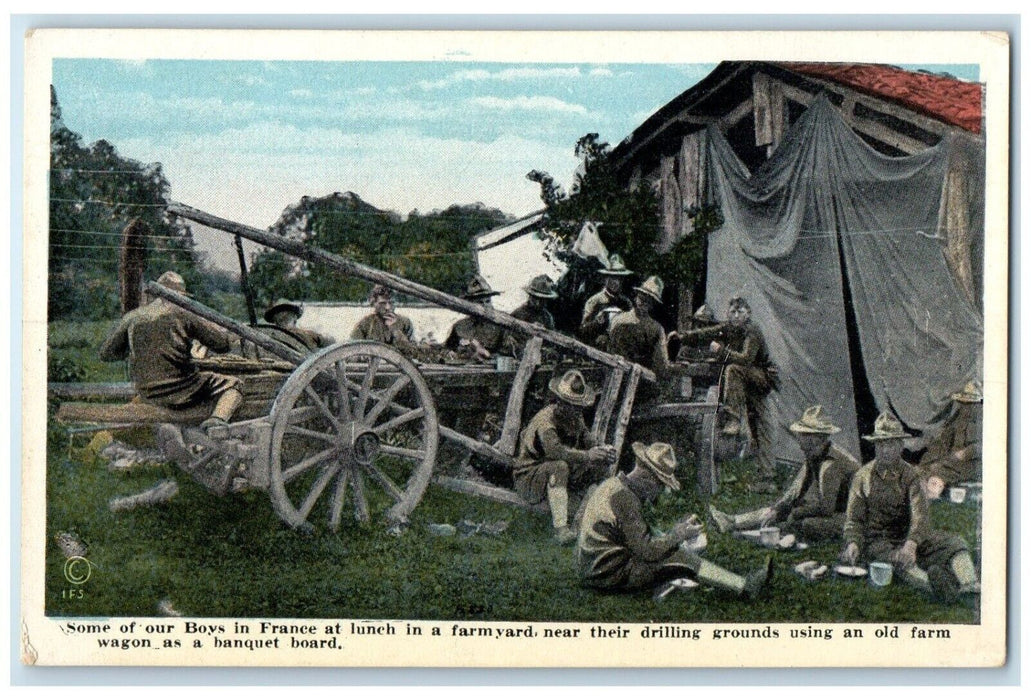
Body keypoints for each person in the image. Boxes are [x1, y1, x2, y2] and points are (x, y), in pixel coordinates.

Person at [577, 441, 774, 597]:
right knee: (680, 557)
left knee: (673, 549)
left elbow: (634, 536)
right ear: (646, 477)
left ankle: (730, 581)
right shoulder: (625, 498)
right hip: (605, 575)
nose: (661, 491)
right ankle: (745, 586)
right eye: (660, 484)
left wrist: (671, 536)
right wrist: (677, 536)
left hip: (594, 567)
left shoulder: (614, 485)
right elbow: (647, 552)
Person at [841, 412, 980, 602]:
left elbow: (920, 516)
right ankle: (936, 587)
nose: (885, 449)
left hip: (910, 536)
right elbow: (854, 520)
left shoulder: (911, 475)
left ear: (900, 445)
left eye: (891, 443)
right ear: (874, 446)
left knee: (953, 542)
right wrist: (853, 543)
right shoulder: (862, 477)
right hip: (880, 540)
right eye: (880, 444)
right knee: (898, 560)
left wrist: (912, 543)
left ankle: (969, 583)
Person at [98, 271, 243, 434]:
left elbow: (106, 354)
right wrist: (229, 336)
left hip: (146, 392)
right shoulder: (184, 313)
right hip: (181, 390)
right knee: (234, 384)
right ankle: (217, 421)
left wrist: (136, 351)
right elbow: (222, 345)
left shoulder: (132, 317)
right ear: (180, 295)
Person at [709, 405, 861, 542]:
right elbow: (795, 491)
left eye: (803, 435)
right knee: (780, 510)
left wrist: (796, 512)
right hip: (837, 512)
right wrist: (778, 509)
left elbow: (826, 508)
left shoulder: (830, 464)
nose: (799, 439)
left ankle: (755, 533)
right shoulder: (814, 455)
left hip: (855, 519)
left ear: (816, 438)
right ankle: (731, 521)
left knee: (807, 524)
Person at [678, 296, 778, 487]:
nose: (736, 315)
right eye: (732, 312)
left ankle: (734, 418)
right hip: (743, 382)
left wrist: (721, 351)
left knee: (762, 426)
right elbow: (706, 333)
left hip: (759, 379)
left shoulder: (752, 331)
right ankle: (764, 477)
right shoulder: (728, 327)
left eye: (740, 312)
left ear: (748, 314)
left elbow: (746, 359)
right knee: (757, 429)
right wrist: (682, 336)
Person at [514, 370, 617, 544]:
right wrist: (588, 455)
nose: (574, 409)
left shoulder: (576, 417)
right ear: (559, 401)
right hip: (529, 476)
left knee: (601, 468)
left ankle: (581, 524)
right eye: (568, 403)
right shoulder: (546, 420)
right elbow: (555, 452)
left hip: (558, 477)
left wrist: (603, 450)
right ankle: (561, 530)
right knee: (560, 466)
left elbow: (588, 439)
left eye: (577, 405)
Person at [608, 276, 676, 397]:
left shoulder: (617, 320)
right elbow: (661, 366)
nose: (644, 301)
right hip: (640, 387)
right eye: (643, 297)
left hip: (613, 381)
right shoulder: (656, 328)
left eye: (648, 299)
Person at [919, 381, 983, 500]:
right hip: (952, 460)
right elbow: (944, 440)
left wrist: (964, 453)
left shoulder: (984, 422)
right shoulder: (960, 418)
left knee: (938, 471)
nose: (965, 405)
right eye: (963, 402)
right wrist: (929, 457)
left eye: (969, 403)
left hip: (972, 464)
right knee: (923, 468)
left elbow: (987, 446)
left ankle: (932, 495)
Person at [445, 275, 507, 362]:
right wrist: (451, 354)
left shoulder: (501, 326)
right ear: (470, 304)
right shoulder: (460, 326)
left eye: (488, 301)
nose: (485, 306)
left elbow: (508, 356)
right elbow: (446, 349)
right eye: (480, 302)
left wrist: (486, 356)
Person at [580, 253, 633, 349]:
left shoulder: (626, 303)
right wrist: (597, 323)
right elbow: (583, 330)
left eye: (619, 278)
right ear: (605, 278)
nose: (616, 282)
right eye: (612, 277)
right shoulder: (594, 301)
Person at [252, 299, 334, 356]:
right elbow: (331, 342)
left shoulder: (267, 337)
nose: (283, 314)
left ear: (274, 320)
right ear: (295, 317)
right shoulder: (308, 334)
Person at [350, 285, 416, 352]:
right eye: (382, 303)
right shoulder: (364, 324)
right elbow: (352, 351)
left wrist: (396, 330)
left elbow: (413, 352)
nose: (388, 307)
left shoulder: (405, 323)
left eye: (391, 302)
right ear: (373, 303)